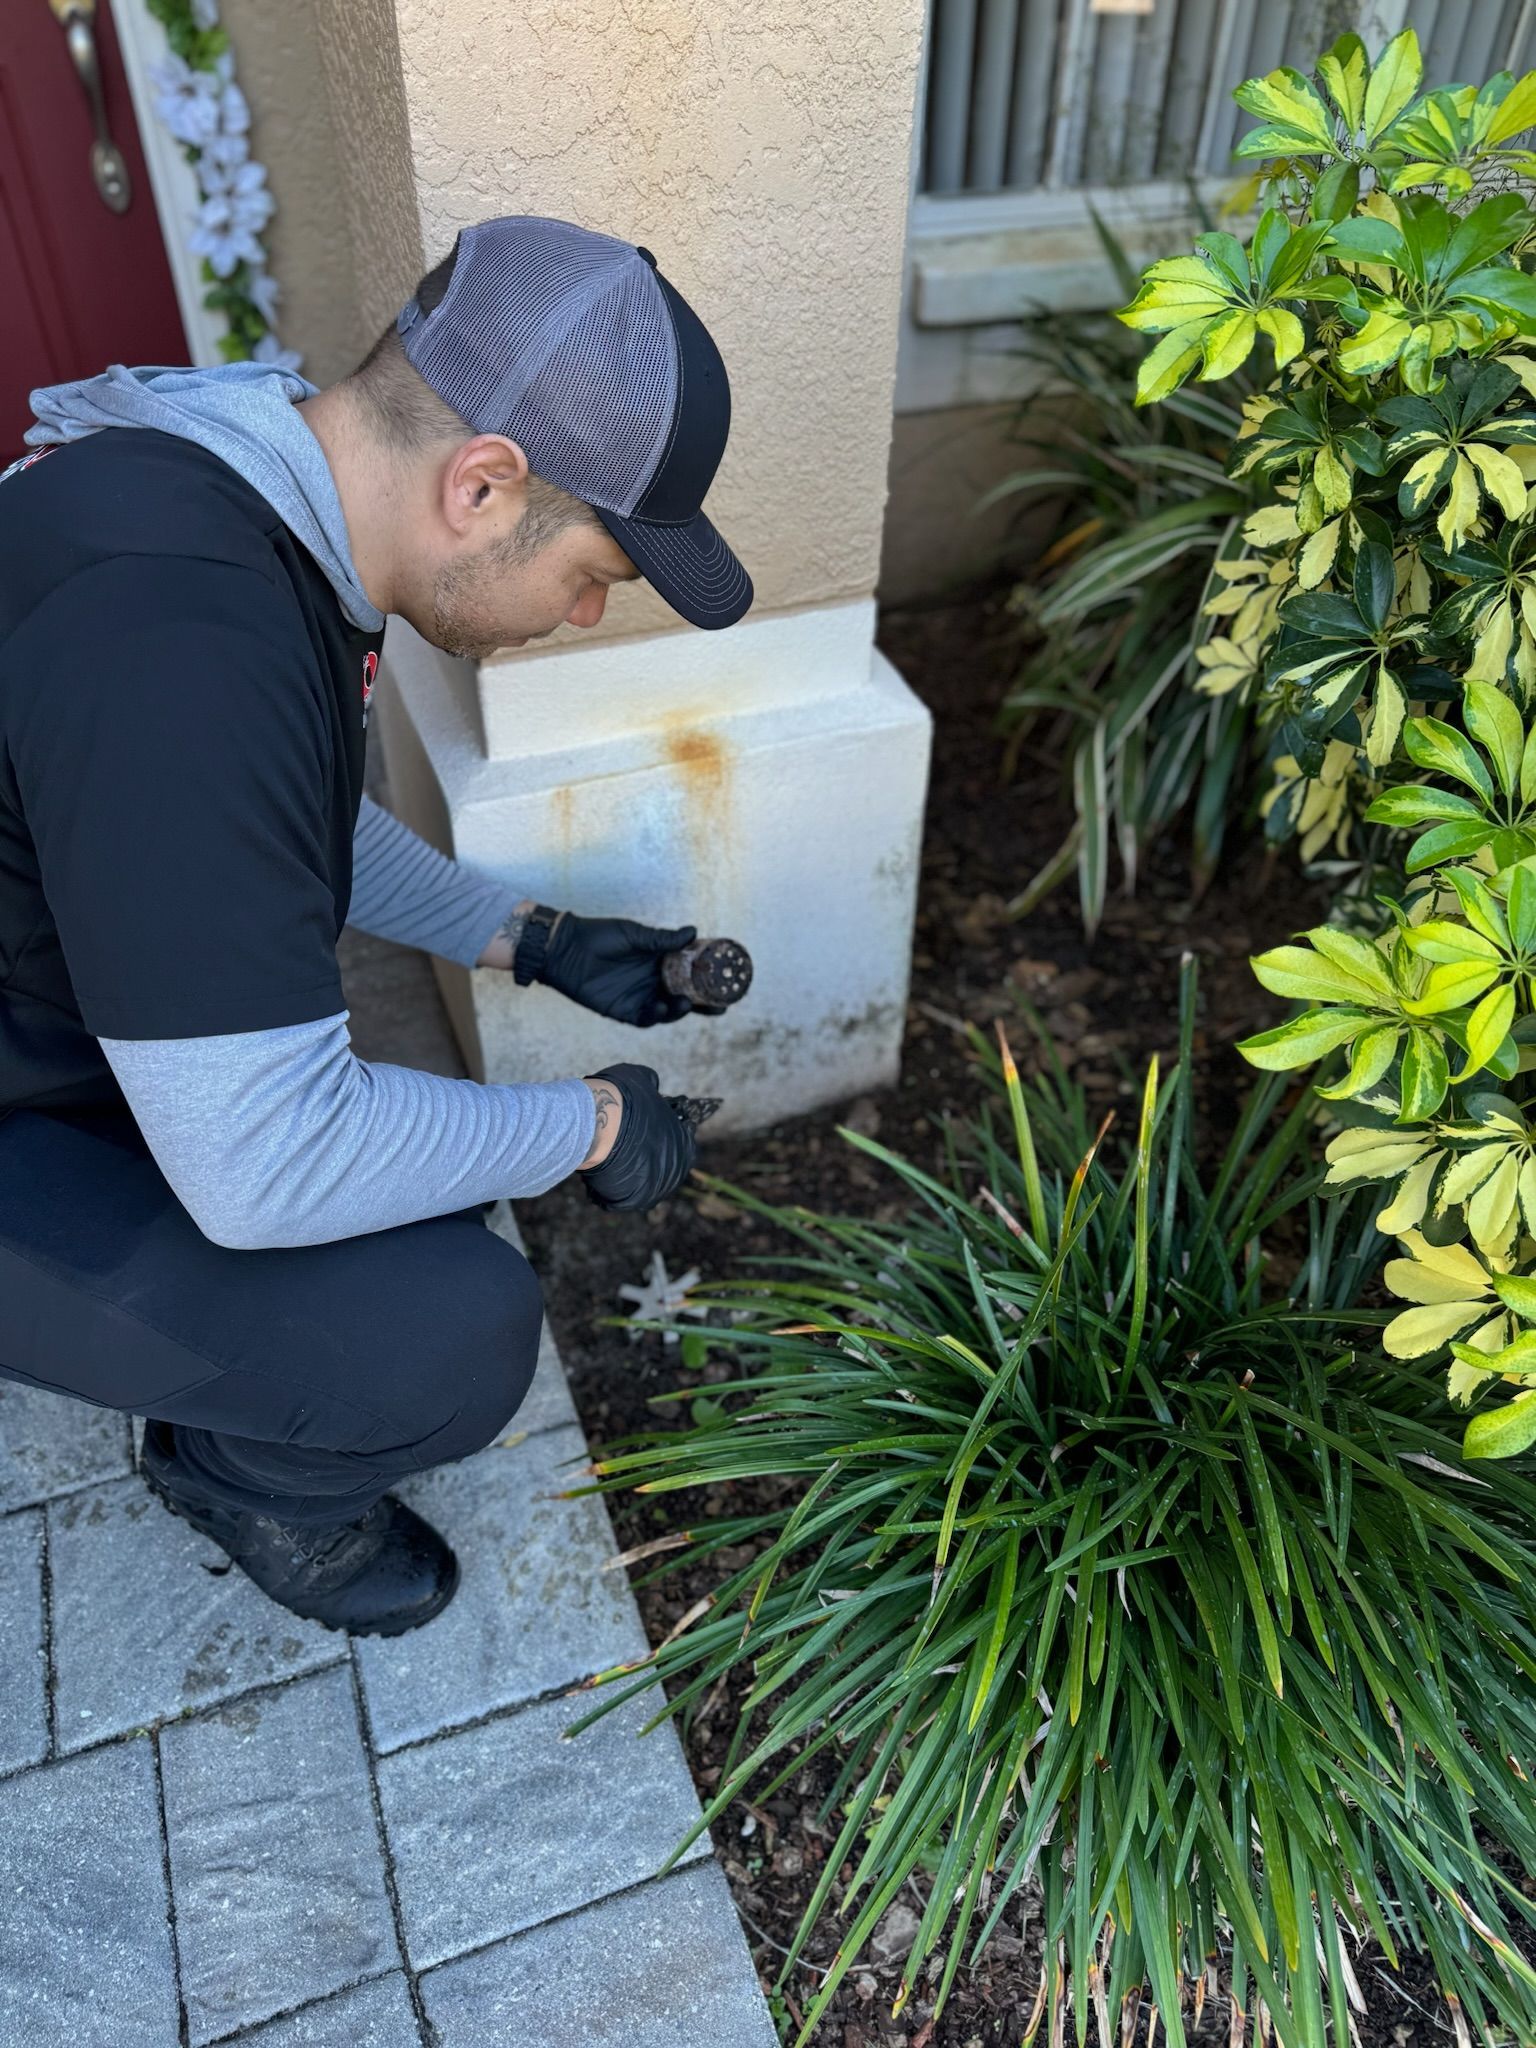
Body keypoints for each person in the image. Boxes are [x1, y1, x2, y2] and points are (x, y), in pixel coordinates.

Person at [0, 216, 752, 1638]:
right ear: (484, 483)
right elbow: (266, 1163)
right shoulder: (182, 646)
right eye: (599, 568)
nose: (588, 609)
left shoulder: (242, 489)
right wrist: (591, 1126)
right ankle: (234, 1477)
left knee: (420, 1174)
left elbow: (290, 828)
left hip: (52, 1004)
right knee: (440, 1332)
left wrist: (533, 938)